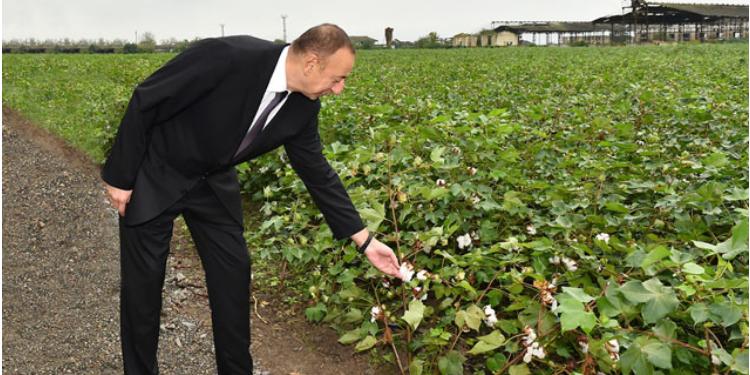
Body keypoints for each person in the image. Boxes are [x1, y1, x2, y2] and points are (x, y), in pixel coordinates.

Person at [102, 23, 402, 375]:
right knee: (143, 290)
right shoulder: (228, 57)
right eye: (337, 78)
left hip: (213, 184)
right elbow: (148, 96)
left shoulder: (303, 108)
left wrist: (364, 240)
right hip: (159, 172)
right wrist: (120, 177)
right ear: (311, 64)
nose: (339, 89)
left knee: (233, 275)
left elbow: (316, 171)